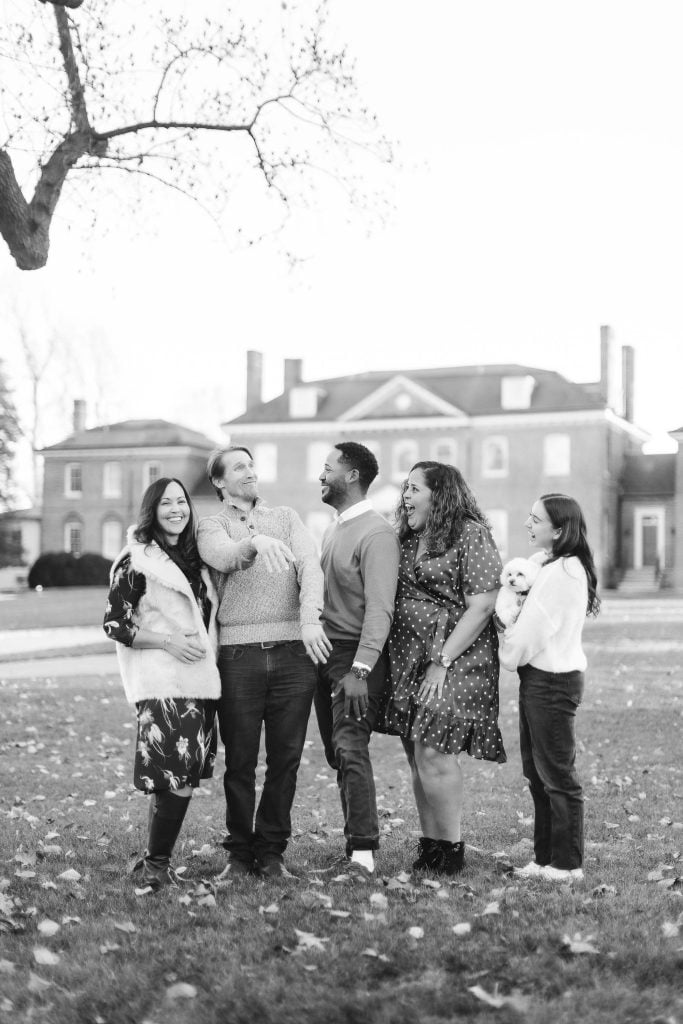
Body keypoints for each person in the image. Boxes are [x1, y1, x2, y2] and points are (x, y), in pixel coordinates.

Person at [197, 445, 330, 879]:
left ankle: (271, 853)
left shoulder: (287, 518)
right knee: (239, 762)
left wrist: (309, 620)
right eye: (238, 467)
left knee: (286, 759)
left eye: (251, 464)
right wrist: (254, 540)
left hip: (295, 654)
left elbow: (310, 567)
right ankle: (238, 856)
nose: (250, 472)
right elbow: (225, 557)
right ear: (219, 482)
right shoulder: (211, 525)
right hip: (238, 658)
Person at [383, 461, 505, 876]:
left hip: (455, 657)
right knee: (416, 753)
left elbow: (483, 604)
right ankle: (430, 844)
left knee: (434, 750)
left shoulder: (470, 534)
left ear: (441, 493)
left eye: (414, 488)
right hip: (408, 655)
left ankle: (451, 848)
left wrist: (442, 660)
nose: (405, 496)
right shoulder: (407, 538)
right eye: (405, 488)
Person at [103, 477, 220, 892]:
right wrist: (168, 641)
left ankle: (153, 862)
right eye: (166, 502)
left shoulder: (193, 560)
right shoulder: (137, 559)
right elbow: (115, 623)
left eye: (182, 501)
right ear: (152, 510)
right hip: (163, 682)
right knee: (179, 778)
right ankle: (157, 866)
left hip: (198, 682)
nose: (177, 508)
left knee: (178, 774)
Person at [499, 493, 600, 883]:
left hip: (553, 682)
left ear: (558, 530)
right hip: (540, 680)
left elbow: (534, 628)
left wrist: (508, 651)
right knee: (537, 773)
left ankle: (567, 864)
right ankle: (544, 859)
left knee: (557, 776)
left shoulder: (564, 572)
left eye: (536, 519)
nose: (528, 524)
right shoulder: (550, 565)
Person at [315, 441, 401, 877]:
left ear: (351, 476)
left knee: (350, 746)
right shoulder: (332, 529)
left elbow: (380, 608)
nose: (321, 474)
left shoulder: (377, 533)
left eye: (328, 467)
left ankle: (363, 853)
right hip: (323, 653)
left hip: (355, 658)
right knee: (337, 752)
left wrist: (360, 669)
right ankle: (355, 840)